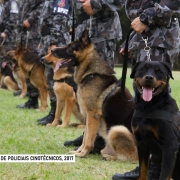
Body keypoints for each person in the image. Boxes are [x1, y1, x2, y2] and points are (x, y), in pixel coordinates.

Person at [112, 0, 180, 180]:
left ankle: (156, 169)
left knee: (158, 108)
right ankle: (148, 167)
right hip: (145, 35)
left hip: (160, 36)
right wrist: (133, 42)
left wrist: (146, 17)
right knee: (144, 104)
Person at [63, 0, 123, 152]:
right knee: (87, 93)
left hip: (102, 31)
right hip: (86, 30)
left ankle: (99, 140)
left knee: (99, 91)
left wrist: (95, 3)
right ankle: (90, 136)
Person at [37, 0, 72, 125]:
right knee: (50, 78)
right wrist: (43, 40)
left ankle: (55, 115)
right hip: (49, 40)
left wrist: (53, 42)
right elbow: (46, 22)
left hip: (57, 42)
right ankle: (53, 113)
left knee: (55, 79)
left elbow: (60, 19)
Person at [15, 0, 44, 109]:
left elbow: (42, 6)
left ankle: (39, 100)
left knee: (34, 69)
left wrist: (30, 19)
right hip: (24, 35)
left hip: (34, 35)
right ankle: (32, 99)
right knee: (26, 69)